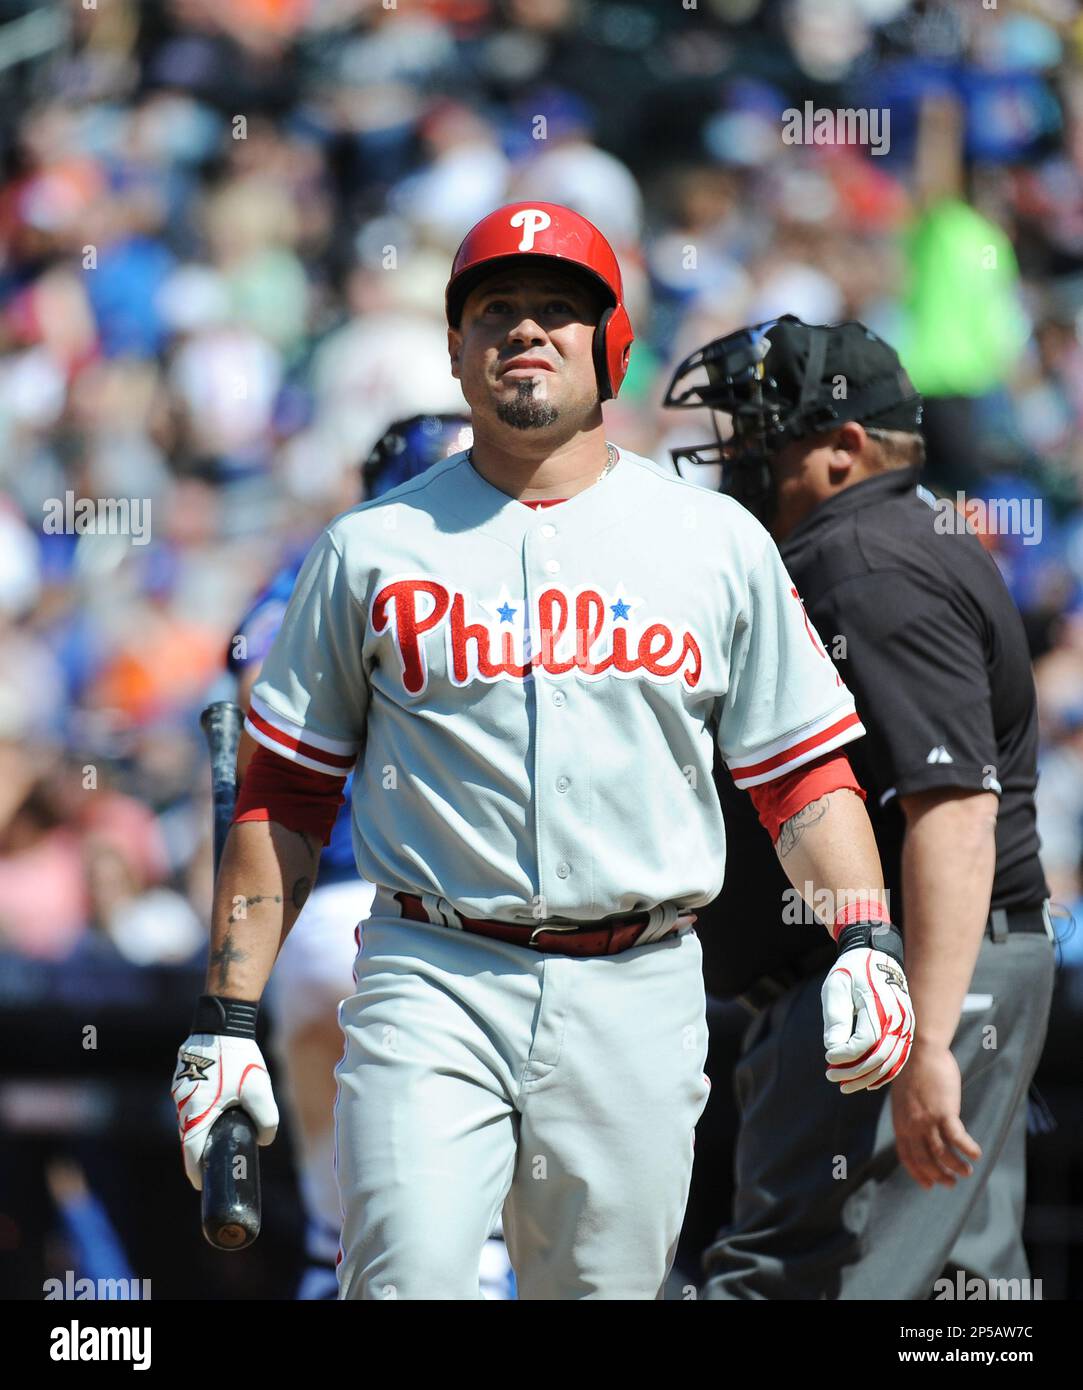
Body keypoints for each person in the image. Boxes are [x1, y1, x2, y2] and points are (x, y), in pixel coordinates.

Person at [172, 205, 913, 1301]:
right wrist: (229, 1012)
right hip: (433, 970)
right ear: (458, 352)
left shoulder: (713, 542)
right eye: (497, 311)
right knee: (410, 1281)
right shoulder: (368, 548)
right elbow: (284, 795)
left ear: (611, 348)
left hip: (640, 981)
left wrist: (866, 934)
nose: (526, 331)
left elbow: (803, 777)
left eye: (559, 310)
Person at [663, 315, 1056, 1300]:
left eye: (761, 436)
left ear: (842, 450)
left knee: (790, 1280)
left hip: (899, 976)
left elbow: (956, 808)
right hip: (954, 967)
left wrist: (924, 1040)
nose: (737, 458)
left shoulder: (860, 557)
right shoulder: (902, 533)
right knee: (958, 1299)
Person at [225, 412, 513, 1300]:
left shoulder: (314, 567)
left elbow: (245, 693)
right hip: (439, 925)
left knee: (336, 1233)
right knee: (484, 1234)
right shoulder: (494, 572)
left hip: (308, 921)